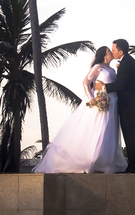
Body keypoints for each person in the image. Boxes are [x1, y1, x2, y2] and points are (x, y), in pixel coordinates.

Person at [33, 46, 127, 174]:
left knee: (110, 130)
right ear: (105, 54)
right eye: (109, 51)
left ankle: (105, 161)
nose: (111, 52)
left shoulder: (112, 69)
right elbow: (86, 82)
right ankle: (92, 159)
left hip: (112, 103)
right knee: (99, 128)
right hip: (100, 101)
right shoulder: (98, 67)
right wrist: (91, 98)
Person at [111, 38, 135, 173]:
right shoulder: (127, 61)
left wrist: (103, 87)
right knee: (130, 134)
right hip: (130, 105)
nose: (113, 52)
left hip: (130, 105)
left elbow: (121, 85)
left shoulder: (127, 63)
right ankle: (133, 164)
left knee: (130, 134)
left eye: (114, 50)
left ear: (121, 51)